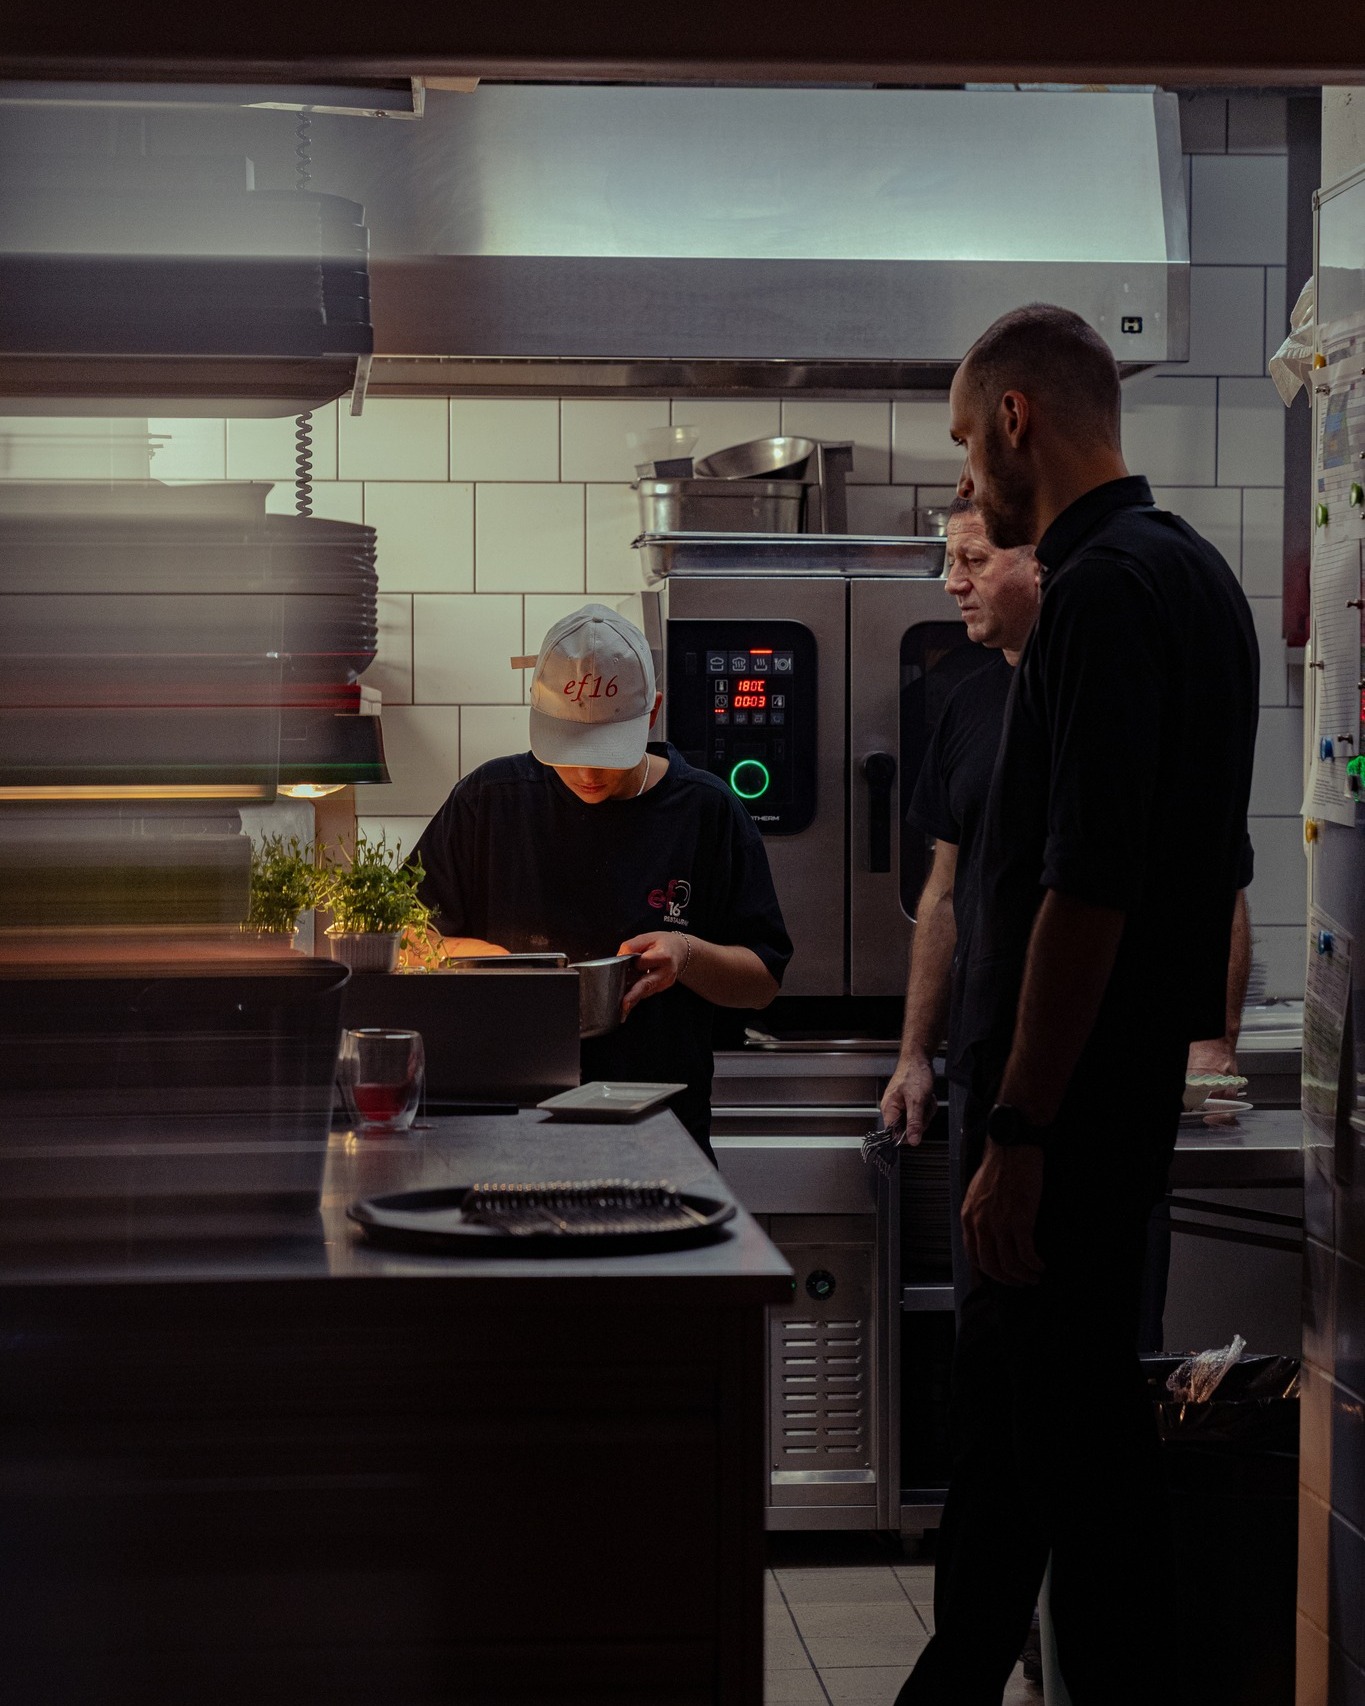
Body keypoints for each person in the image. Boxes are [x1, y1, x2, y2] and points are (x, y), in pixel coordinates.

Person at [894, 305, 1258, 1706]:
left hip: (1067, 1113)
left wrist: (1023, 1126)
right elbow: (1205, 867)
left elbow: (1088, 889)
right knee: (1015, 1455)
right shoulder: (1198, 580)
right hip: (1106, 1103)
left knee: (1081, 1476)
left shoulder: (1102, 594)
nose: (966, 476)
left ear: (1014, 419)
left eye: (960, 436)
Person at [882, 499, 1254, 1340]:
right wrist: (915, 1053)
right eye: (949, 562)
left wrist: (1212, 1040)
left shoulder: (1107, 683)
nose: (952, 584)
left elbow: (1214, 882)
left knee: (1095, 1341)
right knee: (992, 1332)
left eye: (973, 561)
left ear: (1035, 563)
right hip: (986, 1067)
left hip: (1086, 1082)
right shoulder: (965, 705)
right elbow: (944, 892)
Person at [410, 604, 793, 1159]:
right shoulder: (488, 801)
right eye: (570, 750)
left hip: (658, 1130)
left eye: (609, 753)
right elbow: (399, 934)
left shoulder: (705, 811)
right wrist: (472, 958)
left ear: (653, 713)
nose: (589, 774)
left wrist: (686, 954)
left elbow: (763, 980)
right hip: (500, 1124)